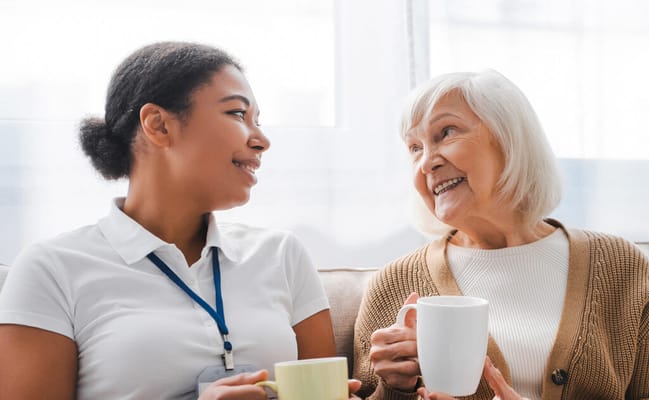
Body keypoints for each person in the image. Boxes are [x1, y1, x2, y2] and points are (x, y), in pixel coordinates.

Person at [0, 41, 352, 400]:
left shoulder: (282, 254)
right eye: (236, 114)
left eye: (256, 121)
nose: (261, 140)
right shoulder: (51, 269)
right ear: (158, 125)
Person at [352, 70, 649, 399]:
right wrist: (395, 389)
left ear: (508, 138)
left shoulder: (623, 267)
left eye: (445, 132)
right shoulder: (393, 285)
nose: (425, 164)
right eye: (414, 148)